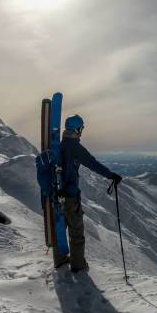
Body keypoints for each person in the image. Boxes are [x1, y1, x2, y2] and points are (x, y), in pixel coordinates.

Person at [53, 114, 122, 272]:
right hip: (70, 196)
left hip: (57, 194)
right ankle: (78, 265)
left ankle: (60, 261)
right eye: (81, 128)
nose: (82, 131)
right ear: (77, 129)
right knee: (76, 231)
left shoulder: (60, 144)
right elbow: (92, 163)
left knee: (60, 228)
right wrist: (111, 175)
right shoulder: (74, 146)